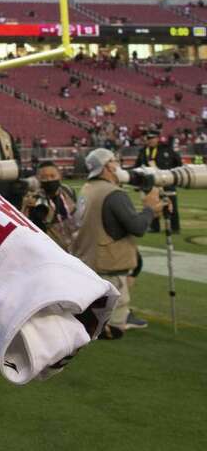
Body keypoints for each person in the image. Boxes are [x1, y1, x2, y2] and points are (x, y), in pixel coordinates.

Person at [72, 148, 167, 339]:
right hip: (108, 264)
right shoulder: (113, 193)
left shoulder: (87, 188)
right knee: (114, 327)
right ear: (107, 166)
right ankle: (103, 325)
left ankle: (95, 320)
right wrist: (149, 209)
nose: (118, 164)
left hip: (87, 259)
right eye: (115, 160)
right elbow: (137, 227)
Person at [132, 128, 182, 233]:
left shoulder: (167, 149)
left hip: (167, 181)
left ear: (157, 138)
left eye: (152, 138)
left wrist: (173, 176)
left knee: (170, 205)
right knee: (152, 205)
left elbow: (178, 163)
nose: (149, 140)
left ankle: (175, 228)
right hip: (151, 184)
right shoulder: (143, 151)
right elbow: (137, 166)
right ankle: (154, 227)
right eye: (148, 138)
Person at [24, 161, 79, 252]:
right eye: (44, 178)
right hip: (52, 251)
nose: (49, 180)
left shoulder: (68, 191)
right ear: (38, 179)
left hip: (74, 248)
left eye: (52, 176)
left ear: (59, 176)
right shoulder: (35, 200)